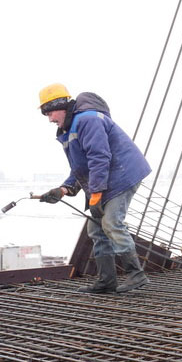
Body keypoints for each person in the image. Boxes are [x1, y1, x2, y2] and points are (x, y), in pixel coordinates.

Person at [37, 83, 152, 293]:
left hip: (123, 175)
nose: (50, 119)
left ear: (60, 105)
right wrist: (63, 189)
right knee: (96, 228)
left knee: (111, 223)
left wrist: (96, 193)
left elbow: (99, 158)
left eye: (50, 112)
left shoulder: (87, 120)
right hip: (106, 177)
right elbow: (80, 166)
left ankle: (137, 275)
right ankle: (107, 281)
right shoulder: (68, 129)